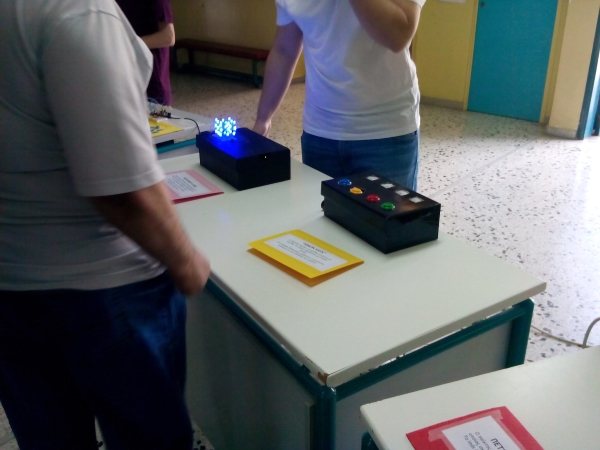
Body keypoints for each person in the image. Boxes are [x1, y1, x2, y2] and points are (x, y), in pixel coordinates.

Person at [0, 0, 208, 449]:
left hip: (12, 279)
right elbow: (122, 192)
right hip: (106, 289)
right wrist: (187, 262)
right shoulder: (81, 12)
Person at [253, 0, 426, 190]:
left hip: (385, 133)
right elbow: (284, 50)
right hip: (319, 134)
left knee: (385, 211)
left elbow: (399, 35)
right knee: (321, 209)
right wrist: (263, 118)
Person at [116, 0, 175, 106]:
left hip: (153, 85)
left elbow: (168, 37)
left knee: (157, 116)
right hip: (127, 80)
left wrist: (128, 45)